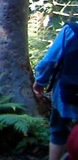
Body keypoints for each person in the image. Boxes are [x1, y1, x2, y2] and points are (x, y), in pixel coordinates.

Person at [33, 22, 78, 160]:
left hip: (69, 93)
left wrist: (40, 81)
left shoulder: (72, 30)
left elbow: (50, 60)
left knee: (59, 131)